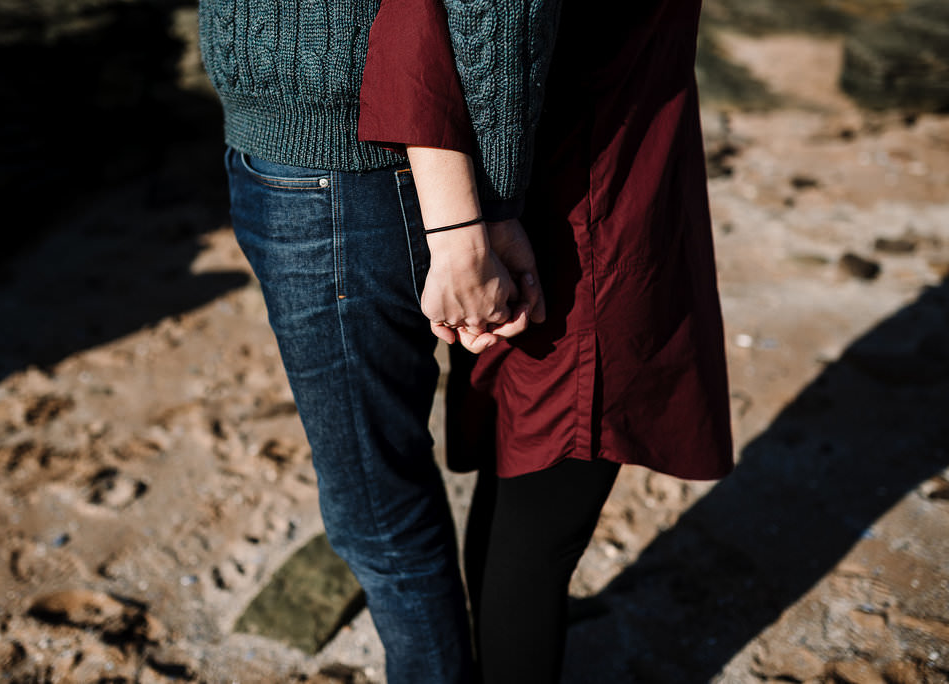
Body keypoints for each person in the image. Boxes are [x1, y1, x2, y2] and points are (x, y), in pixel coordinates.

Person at [198, 0, 734, 680]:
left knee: (414, 511)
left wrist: (473, 222)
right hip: (320, 151)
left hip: (418, 177)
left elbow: (484, 14)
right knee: (439, 504)